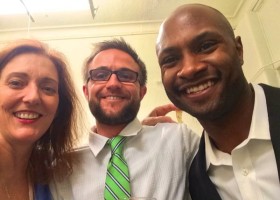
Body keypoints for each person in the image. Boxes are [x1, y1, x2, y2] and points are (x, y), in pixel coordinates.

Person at [155, 3, 280, 200]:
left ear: (238, 50)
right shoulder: (194, 182)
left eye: (206, 46)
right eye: (170, 59)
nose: (189, 69)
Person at [50, 38, 199, 200]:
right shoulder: (63, 167)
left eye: (126, 75)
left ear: (142, 92)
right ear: (86, 92)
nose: (113, 83)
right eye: (100, 75)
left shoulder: (179, 139)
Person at [0, 39, 80, 199]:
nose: (33, 97)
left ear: (59, 109)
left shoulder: (49, 177)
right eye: (16, 83)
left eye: (48, 88)